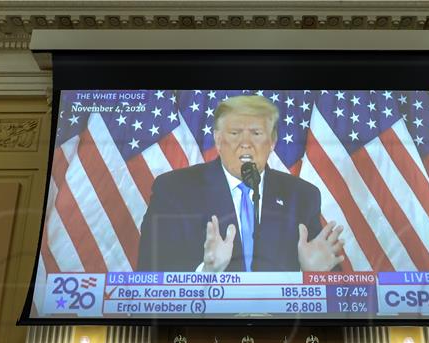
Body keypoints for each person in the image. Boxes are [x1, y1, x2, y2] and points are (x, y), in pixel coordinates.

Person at [137, 94, 345, 272]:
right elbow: (149, 278)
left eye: (256, 133)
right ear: (218, 140)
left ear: (272, 142)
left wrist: (311, 275)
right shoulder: (174, 190)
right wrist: (206, 273)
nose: (245, 143)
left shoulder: (302, 196)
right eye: (235, 133)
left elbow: (336, 299)